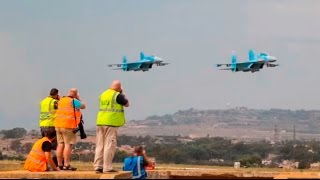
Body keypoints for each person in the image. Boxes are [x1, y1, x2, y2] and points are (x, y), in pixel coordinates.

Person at [94, 80, 129, 173]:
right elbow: (127, 104)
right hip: (111, 122)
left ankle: (98, 166)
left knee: (100, 145)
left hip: (100, 121)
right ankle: (107, 167)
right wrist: (122, 93)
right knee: (109, 146)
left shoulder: (103, 94)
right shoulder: (117, 95)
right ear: (119, 87)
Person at [54, 88, 86, 171]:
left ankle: (59, 164)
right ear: (75, 94)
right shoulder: (73, 101)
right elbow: (83, 106)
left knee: (60, 144)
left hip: (58, 125)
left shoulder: (61, 100)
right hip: (68, 126)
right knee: (68, 145)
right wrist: (78, 98)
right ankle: (66, 164)